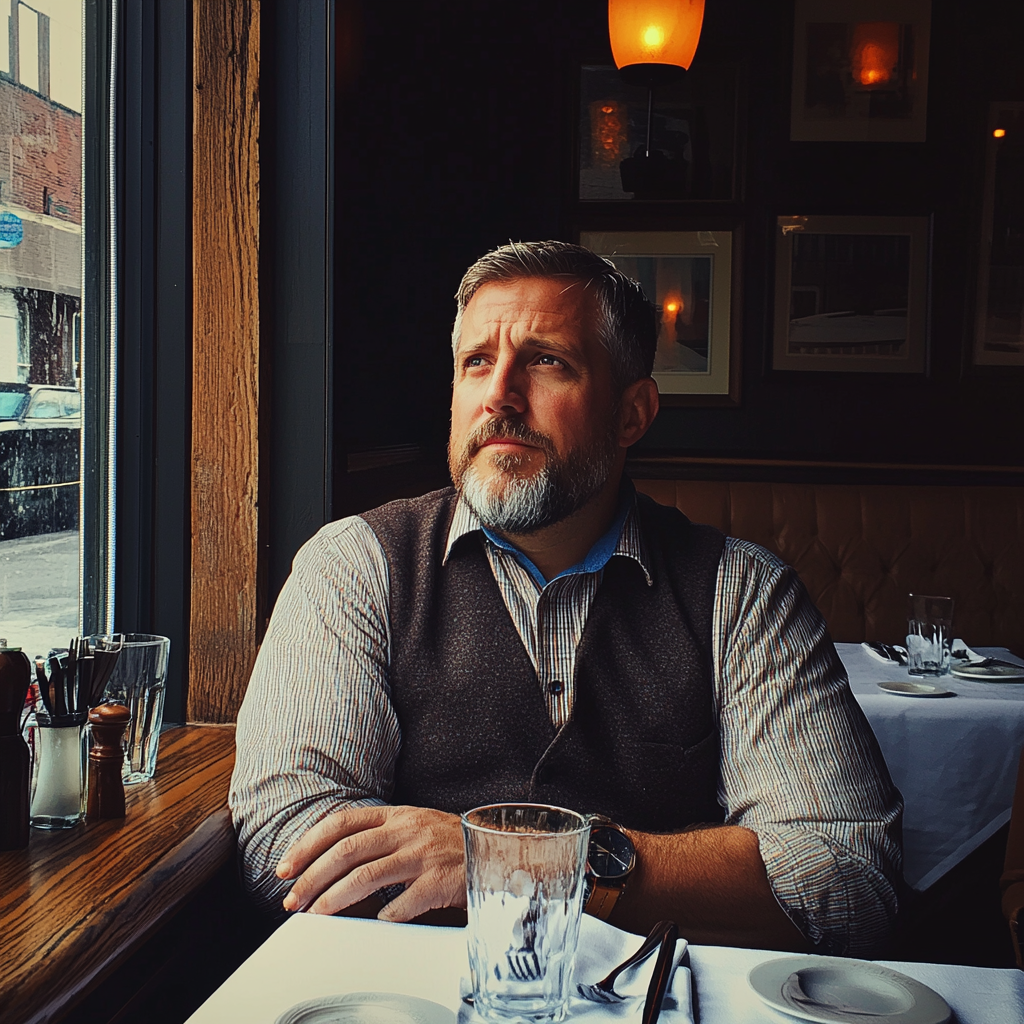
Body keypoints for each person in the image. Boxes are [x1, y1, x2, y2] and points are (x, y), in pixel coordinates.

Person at [230, 241, 902, 956]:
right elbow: (286, 840)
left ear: (632, 414)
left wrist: (540, 862)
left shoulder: (743, 594)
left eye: (546, 360)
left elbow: (849, 879)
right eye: (476, 363)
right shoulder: (355, 566)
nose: (499, 395)